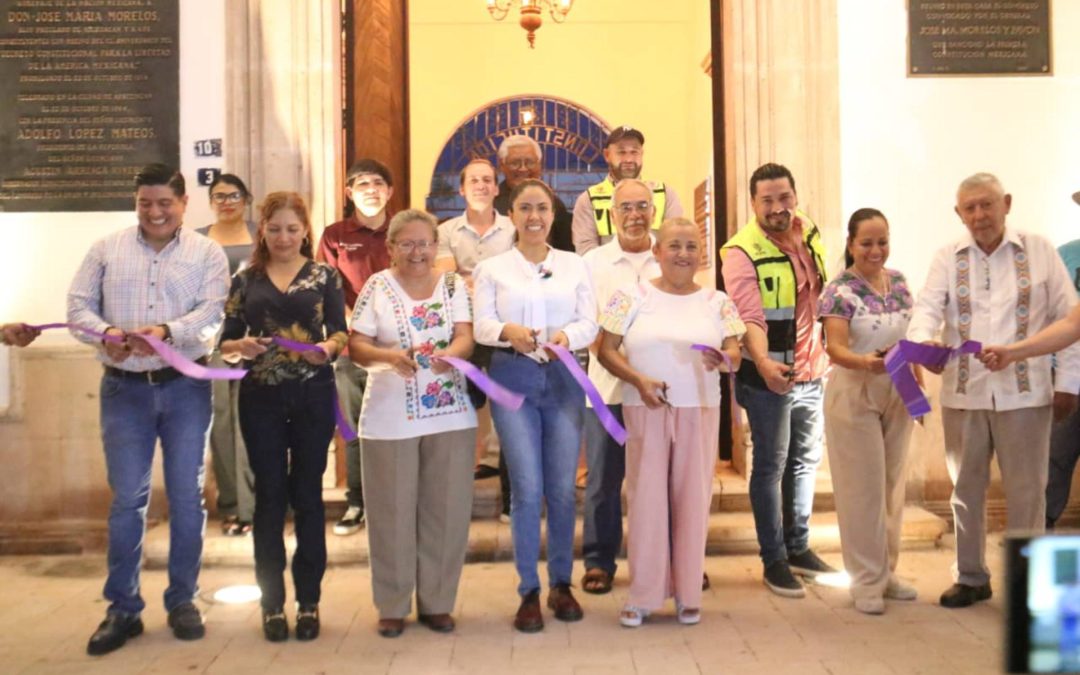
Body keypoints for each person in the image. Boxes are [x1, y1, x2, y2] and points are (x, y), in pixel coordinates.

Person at [67, 163, 229, 655]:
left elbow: (212, 313)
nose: (155, 212)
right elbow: (77, 308)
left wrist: (164, 334)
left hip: (185, 389)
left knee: (186, 498)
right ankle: (123, 608)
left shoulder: (207, 252)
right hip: (125, 392)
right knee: (127, 501)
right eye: (145, 203)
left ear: (183, 204)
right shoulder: (106, 249)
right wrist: (106, 335)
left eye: (164, 203)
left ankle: (183, 600)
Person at [908, 173, 1080, 608]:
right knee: (965, 489)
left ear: (1007, 203)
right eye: (970, 207)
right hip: (964, 393)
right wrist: (924, 341)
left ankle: (1029, 586)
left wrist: (1068, 382)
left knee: (1029, 491)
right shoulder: (947, 257)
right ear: (959, 213)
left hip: (1027, 394)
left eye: (987, 204)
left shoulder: (1039, 250)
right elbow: (926, 309)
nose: (980, 215)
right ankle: (970, 576)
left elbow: (1068, 319)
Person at [598, 217, 744, 627]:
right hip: (646, 406)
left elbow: (735, 353)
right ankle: (643, 595)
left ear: (701, 254)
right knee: (645, 500)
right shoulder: (630, 296)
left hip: (700, 408)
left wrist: (724, 359)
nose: (683, 254)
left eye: (691, 246)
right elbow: (605, 349)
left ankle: (687, 593)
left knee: (692, 500)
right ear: (657, 252)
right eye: (674, 246)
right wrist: (638, 380)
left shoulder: (718, 302)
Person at [219, 192, 346, 642]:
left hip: (313, 395)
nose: (284, 237)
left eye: (292, 229)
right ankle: (271, 604)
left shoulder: (325, 276)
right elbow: (226, 340)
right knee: (269, 498)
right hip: (261, 398)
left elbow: (340, 332)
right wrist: (239, 347)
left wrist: (326, 349)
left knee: (308, 496)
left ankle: (308, 601)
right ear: (263, 231)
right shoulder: (245, 279)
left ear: (305, 230)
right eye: (274, 229)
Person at [473, 178, 598, 632]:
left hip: (564, 379)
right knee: (527, 489)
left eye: (542, 208)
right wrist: (507, 331)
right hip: (513, 379)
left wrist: (567, 336)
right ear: (511, 213)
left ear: (553, 214)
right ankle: (528, 589)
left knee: (562, 489)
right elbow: (482, 324)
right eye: (525, 208)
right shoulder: (492, 268)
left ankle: (561, 583)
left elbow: (589, 322)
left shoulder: (574, 265)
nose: (534, 217)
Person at [350, 209, 477, 638]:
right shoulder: (377, 286)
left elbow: (465, 335)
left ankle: (438, 602)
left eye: (424, 243)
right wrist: (389, 357)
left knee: (447, 510)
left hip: (450, 413)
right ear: (391, 248)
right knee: (391, 512)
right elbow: (357, 346)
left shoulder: (453, 285)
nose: (417, 252)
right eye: (407, 243)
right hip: (389, 417)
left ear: (436, 246)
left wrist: (452, 355)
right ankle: (392, 604)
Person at [719, 162, 836, 599]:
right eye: (767, 200)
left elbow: (822, 293)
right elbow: (748, 315)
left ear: (795, 196)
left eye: (784, 197)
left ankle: (798, 547)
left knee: (805, 461)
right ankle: (774, 559)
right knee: (771, 464)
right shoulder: (740, 251)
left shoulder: (809, 231)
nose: (777, 208)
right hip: (768, 375)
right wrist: (766, 362)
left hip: (812, 368)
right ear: (753, 204)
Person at [818, 208, 918, 615]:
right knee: (862, 489)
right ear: (851, 244)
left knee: (892, 485)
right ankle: (864, 579)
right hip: (855, 386)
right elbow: (835, 348)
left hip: (900, 385)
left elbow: (908, 336)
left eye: (882, 242)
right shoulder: (839, 289)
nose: (876, 250)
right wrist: (866, 363)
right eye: (866, 243)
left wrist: (914, 377)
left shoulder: (899, 282)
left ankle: (886, 572)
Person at [579, 178, 661, 595]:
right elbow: (591, 331)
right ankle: (599, 561)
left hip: (661, 392)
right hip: (606, 390)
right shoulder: (593, 263)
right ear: (612, 215)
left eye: (642, 206)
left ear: (653, 211)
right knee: (603, 482)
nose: (634, 215)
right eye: (625, 207)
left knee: (658, 480)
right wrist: (632, 373)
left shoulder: (669, 254)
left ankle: (664, 560)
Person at [984, 189, 1080, 530]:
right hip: (1066, 375)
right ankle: (1040, 530)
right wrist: (1016, 353)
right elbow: (1065, 323)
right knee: (1053, 460)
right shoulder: (1064, 255)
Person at [318, 158, 394, 536]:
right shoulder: (334, 236)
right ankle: (357, 502)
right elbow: (328, 290)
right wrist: (360, 326)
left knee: (397, 427)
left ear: (390, 191)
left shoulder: (403, 229)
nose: (371, 190)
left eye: (378, 183)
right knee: (355, 428)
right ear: (349, 192)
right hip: (352, 347)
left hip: (398, 349)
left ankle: (393, 504)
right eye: (362, 184)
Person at [433, 159, 515, 511]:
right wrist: (493, 282)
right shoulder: (445, 231)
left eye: (487, 180)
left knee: (510, 419)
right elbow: (447, 280)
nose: (481, 185)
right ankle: (455, 504)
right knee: (458, 417)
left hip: (504, 335)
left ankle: (511, 501)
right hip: (460, 332)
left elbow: (518, 279)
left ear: (496, 188)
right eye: (473, 180)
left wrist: (473, 280)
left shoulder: (514, 229)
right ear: (462, 189)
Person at [196, 173, 258, 537]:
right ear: (210, 202)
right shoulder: (196, 240)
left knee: (249, 418)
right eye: (219, 196)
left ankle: (253, 506)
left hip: (254, 336)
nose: (227, 202)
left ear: (246, 199)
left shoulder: (261, 235)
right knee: (220, 420)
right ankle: (231, 504)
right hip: (211, 338)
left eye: (234, 195)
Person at [571, 126, 683, 255]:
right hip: (607, 268)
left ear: (642, 153)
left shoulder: (665, 194)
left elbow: (675, 243)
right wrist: (623, 264)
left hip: (654, 267)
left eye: (634, 152)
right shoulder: (588, 200)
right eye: (621, 152)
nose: (629, 159)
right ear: (607, 155)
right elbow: (586, 252)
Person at [493, 135, 574, 252]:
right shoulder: (492, 203)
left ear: (540, 164)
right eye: (515, 163)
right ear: (502, 165)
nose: (523, 169)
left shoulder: (554, 203)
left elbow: (565, 249)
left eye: (530, 162)